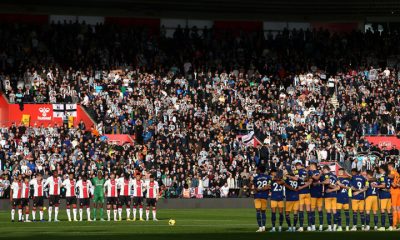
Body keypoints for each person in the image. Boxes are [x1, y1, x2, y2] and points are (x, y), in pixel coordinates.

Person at [252, 165, 271, 232]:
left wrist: (259, 189)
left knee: (258, 212)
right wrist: (265, 188)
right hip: (264, 196)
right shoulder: (268, 177)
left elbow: (255, 188)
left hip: (257, 196)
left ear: (259, 170)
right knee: (263, 212)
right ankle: (263, 227)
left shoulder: (256, 178)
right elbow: (269, 186)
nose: (257, 170)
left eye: (257, 169)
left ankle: (260, 227)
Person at [294, 162, 312, 232]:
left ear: (297, 166)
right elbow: (310, 182)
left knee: (301, 210)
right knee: (308, 210)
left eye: (296, 166)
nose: (296, 168)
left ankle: (301, 227)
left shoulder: (296, 171)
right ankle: (309, 227)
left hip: (301, 193)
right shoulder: (308, 171)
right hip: (307, 192)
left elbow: (296, 179)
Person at [321, 165, 339, 231]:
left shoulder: (326, 175)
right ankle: (334, 227)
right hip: (334, 195)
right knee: (334, 211)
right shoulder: (334, 176)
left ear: (326, 169)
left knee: (328, 212)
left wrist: (320, 182)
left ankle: (329, 228)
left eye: (323, 170)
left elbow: (327, 182)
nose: (323, 171)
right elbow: (338, 187)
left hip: (328, 195)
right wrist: (333, 189)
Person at [376, 165, 393, 231]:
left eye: (380, 169)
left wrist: (376, 186)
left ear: (382, 169)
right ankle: (391, 226)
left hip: (383, 195)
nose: (379, 170)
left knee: (382, 210)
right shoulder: (389, 177)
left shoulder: (382, 177)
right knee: (389, 211)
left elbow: (383, 185)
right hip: (389, 195)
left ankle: (383, 227)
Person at [308, 163, 323, 231]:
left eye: (310, 166)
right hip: (318, 192)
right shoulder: (320, 172)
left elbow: (316, 178)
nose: (309, 167)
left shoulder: (311, 172)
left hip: (314, 193)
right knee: (319, 210)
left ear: (313, 166)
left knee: (313, 210)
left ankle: (314, 226)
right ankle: (320, 226)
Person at [388, 162, 400, 229]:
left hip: (394, 192)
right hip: (399, 191)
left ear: (390, 166)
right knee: (398, 209)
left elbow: (392, 177)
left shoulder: (392, 172)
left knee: (394, 209)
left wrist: (388, 176)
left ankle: (394, 225)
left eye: (388, 166)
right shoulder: (398, 173)